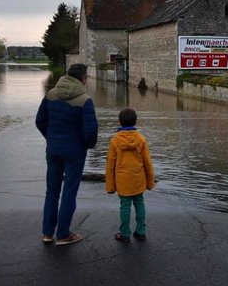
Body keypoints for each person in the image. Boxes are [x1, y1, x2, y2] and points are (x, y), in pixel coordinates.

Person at [36, 63, 98, 246]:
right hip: (75, 152)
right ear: (83, 79)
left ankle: (48, 233)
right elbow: (90, 130)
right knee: (69, 193)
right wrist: (86, 146)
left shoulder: (51, 95)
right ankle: (63, 235)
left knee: (52, 191)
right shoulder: (85, 100)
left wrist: (51, 138)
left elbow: (40, 121)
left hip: (53, 150)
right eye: (87, 77)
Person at [106, 107, 155, 243]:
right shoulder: (141, 139)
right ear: (135, 121)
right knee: (139, 203)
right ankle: (141, 231)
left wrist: (110, 186)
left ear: (120, 122)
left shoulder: (115, 141)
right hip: (138, 178)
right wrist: (150, 182)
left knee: (125, 205)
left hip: (122, 180)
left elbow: (110, 165)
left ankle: (125, 233)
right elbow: (147, 163)